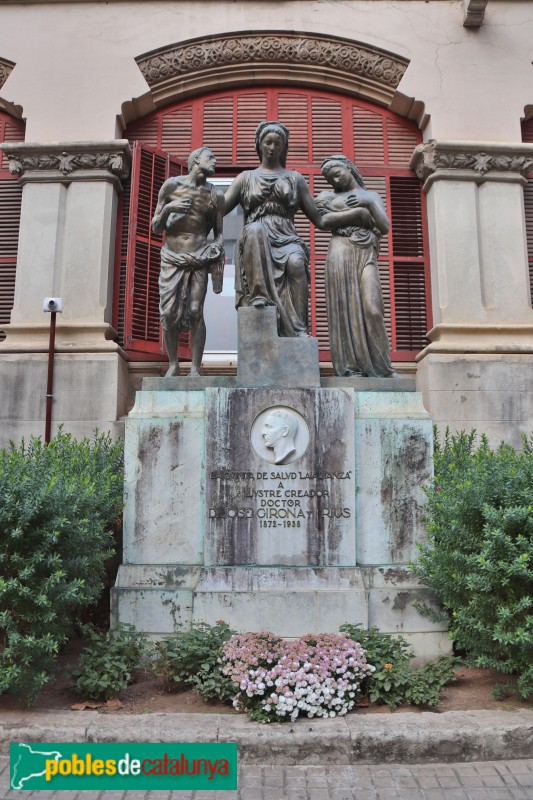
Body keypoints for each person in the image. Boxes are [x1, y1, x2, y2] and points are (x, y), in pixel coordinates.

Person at [224, 121, 327, 338]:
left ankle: (299, 329)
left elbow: (319, 218)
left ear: (283, 147)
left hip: (286, 236)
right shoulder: (245, 178)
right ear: (259, 144)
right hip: (257, 239)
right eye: (268, 142)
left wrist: (353, 215)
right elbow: (221, 207)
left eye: (278, 143)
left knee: (297, 263)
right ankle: (259, 296)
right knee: (255, 230)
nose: (272, 147)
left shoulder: (295, 178)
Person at [316, 154, 396, 378]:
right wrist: (358, 213)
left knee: (373, 308)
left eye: (337, 173)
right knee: (343, 308)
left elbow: (385, 226)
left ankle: (383, 368)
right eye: (330, 178)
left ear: (349, 168)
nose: (335, 180)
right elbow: (322, 221)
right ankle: (350, 367)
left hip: (366, 252)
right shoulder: (326, 196)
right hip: (340, 252)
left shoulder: (371, 196)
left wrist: (368, 204)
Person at [151, 147, 225, 377]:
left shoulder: (216, 195)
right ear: (195, 161)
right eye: (210, 157)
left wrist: (217, 248)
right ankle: (173, 363)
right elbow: (155, 228)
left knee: (195, 310)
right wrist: (168, 210)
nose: (215, 161)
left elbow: (220, 234)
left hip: (199, 257)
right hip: (172, 258)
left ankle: (195, 367)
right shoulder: (172, 186)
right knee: (169, 313)